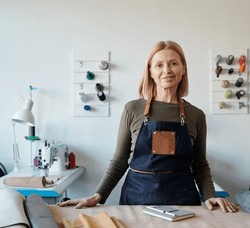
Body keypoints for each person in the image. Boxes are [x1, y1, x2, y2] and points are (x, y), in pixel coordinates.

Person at [58, 40, 238, 213]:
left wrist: (210, 196)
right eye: (159, 65)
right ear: (150, 71)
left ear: (183, 69)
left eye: (173, 63)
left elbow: (200, 165)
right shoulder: (132, 109)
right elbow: (120, 159)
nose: (167, 70)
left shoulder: (196, 115)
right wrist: (99, 195)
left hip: (183, 201)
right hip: (137, 199)